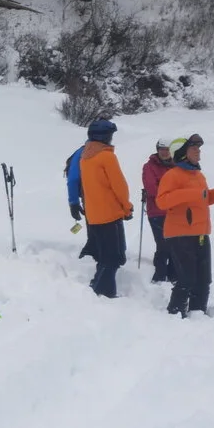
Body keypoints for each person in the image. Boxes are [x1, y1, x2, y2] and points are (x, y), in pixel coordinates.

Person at [155, 133, 214, 317]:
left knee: (204, 279)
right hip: (180, 234)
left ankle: (198, 314)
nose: (199, 152)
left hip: (200, 232)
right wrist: (193, 194)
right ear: (182, 153)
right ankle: (175, 314)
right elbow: (162, 201)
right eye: (194, 149)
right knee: (186, 279)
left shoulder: (198, 175)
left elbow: (203, 197)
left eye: (199, 149)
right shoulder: (172, 175)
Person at [79, 118, 134, 298]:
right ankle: (102, 293)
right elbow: (119, 186)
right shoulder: (106, 156)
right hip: (110, 215)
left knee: (105, 257)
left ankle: (99, 286)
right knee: (113, 258)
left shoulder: (85, 157)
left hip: (93, 216)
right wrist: (127, 207)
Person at [141, 137, 183, 283]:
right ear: (157, 150)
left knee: (175, 243)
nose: (164, 153)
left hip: (174, 212)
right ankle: (159, 275)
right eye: (162, 150)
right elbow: (152, 189)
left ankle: (173, 274)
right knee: (163, 244)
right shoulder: (149, 167)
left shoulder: (176, 166)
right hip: (157, 211)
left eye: (167, 150)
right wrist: (173, 194)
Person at [64, 140, 94, 260]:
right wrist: (74, 203)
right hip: (89, 196)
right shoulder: (83, 153)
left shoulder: (84, 151)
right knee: (94, 224)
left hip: (89, 196)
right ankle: (91, 250)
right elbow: (73, 179)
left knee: (93, 224)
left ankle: (92, 248)